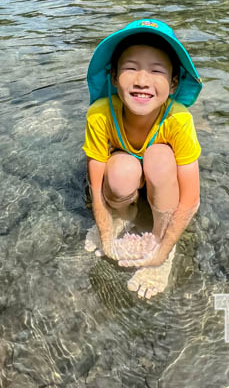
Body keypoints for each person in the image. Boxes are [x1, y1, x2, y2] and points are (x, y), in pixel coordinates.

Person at [82, 19, 203, 299]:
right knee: (121, 168)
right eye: (131, 68)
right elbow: (96, 180)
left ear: (173, 84)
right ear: (113, 77)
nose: (142, 80)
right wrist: (105, 231)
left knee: (159, 157)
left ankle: (160, 237)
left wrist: (161, 254)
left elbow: (191, 199)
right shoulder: (100, 115)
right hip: (126, 178)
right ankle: (123, 215)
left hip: (163, 178)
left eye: (156, 70)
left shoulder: (178, 120)